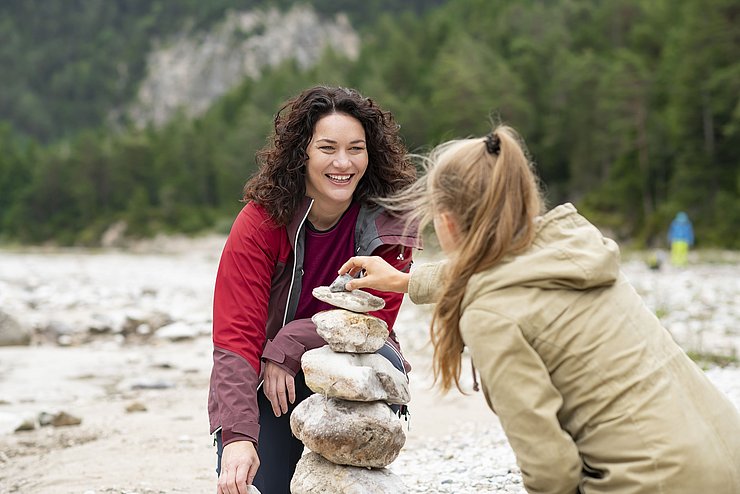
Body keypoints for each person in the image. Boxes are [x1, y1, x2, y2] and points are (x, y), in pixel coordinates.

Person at [338, 125, 740, 493]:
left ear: (447, 223)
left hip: (655, 483)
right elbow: (498, 267)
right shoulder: (572, 245)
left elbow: (551, 472)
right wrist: (405, 280)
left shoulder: (492, 315)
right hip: (726, 456)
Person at [208, 85, 421, 494]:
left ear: (370, 154)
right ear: (301, 153)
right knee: (261, 485)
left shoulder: (391, 222)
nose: (343, 163)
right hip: (270, 382)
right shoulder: (260, 222)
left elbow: (375, 317)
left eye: (356, 148)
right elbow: (235, 338)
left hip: (359, 368)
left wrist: (288, 343)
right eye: (327, 148)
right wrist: (237, 437)